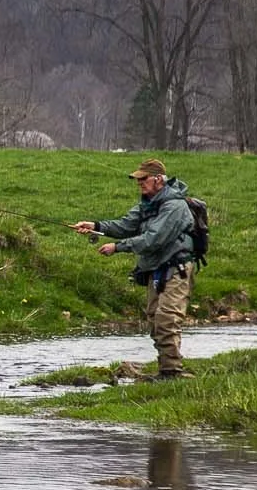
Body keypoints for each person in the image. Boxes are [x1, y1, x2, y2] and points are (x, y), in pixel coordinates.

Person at [71, 159, 197, 378]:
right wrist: (96, 226)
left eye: (143, 178)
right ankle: (167, 369)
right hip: (156, 269)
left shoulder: (174, 206)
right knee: (154, 319)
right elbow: (125, 225)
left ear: (158, 179)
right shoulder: (148, 204)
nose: (139, 183)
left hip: (177, 269)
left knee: (167, 319)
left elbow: (153, 239)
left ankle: (172, 371)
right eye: (137, 179)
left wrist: (118, 247)